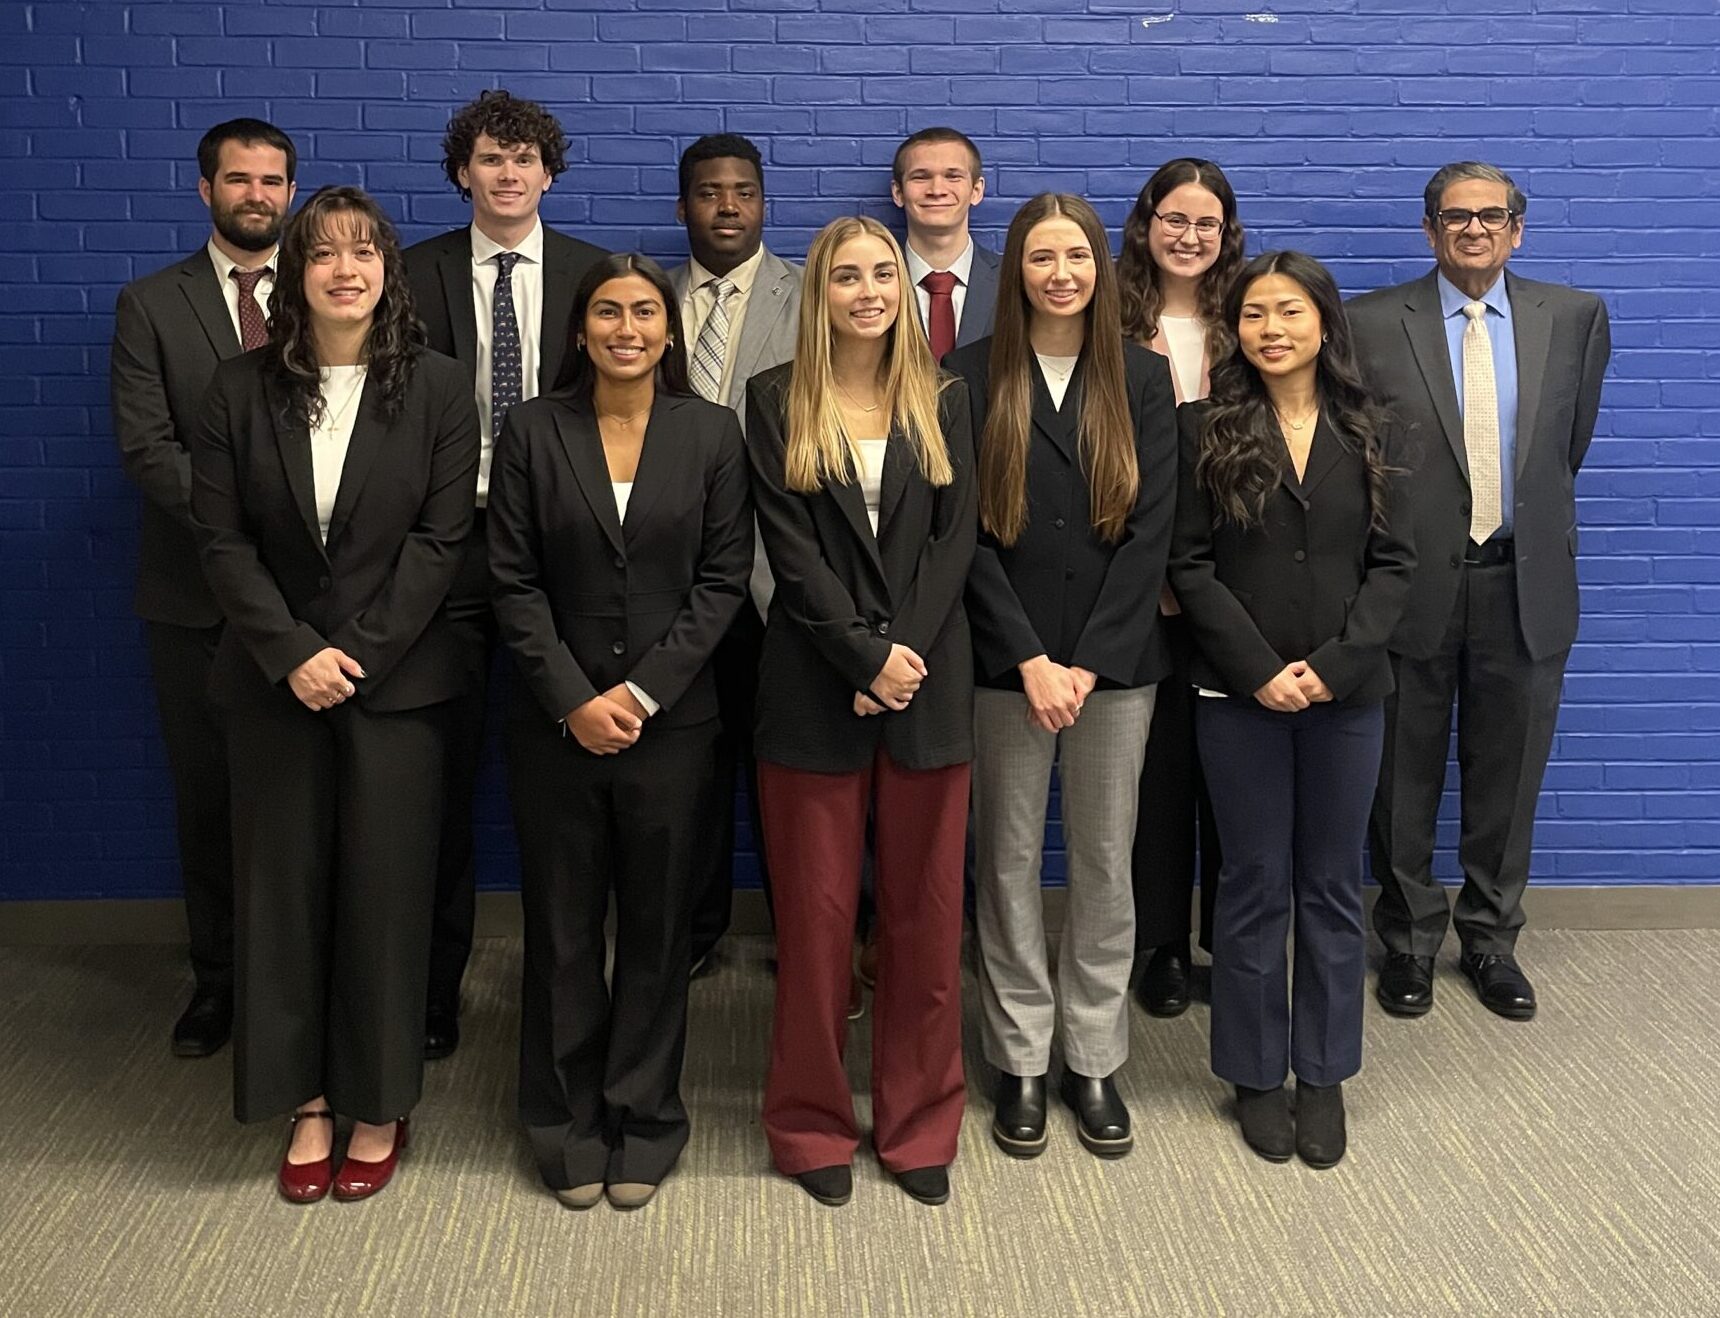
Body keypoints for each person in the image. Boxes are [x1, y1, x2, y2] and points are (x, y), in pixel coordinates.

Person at [190, 186, 481, 1203]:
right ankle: (305, 1095)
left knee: (385, 897)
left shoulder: (442, 389)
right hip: (275, 687)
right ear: (295, 273)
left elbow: (442, 541)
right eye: (323, 254)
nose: (344, 269)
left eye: (364, 252)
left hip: (396, 688)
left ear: (387, 272)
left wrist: (350, 654)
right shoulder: (236, 389)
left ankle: (377, 1098)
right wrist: (292, 652)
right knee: (284, 893)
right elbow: (221, 541)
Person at [488, 253, 752, 1212]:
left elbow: (724, 582)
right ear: (580, 328)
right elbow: (509, 579)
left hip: (674, 725)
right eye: (608, 311)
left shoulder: (713, 433)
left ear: (670, 330)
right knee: (561, 932)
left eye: (646, 311)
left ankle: (644, 1115)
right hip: (553, 723)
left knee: (656, 930)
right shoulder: (531, 429)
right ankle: (563, 1120)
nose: (628, 327)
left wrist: (640, 695)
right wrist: (573, 696)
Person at [746, 215, 976, 1208]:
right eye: (848, 276)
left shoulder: (948, 395)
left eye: (884, 273)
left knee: (925, 924)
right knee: (816, 925)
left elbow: (953, 543)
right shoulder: (770, 400)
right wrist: (859, 653)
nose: (869, 291)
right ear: (821, 293)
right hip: (812, 686)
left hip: (924, 687)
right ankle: (808, 1123)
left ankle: (920, 1119)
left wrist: (896, 660)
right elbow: (790, 555)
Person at [1169, 250, 1415, 1169]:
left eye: (1290, 312)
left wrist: (1340, 664)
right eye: (1255, 316)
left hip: (1349, 698)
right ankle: (1254, 1074)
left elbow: (1399, 564)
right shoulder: (1204, 429)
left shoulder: (1377, 426)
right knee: (1250, 886)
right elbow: (1187, 564)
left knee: (1330, 888)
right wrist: (1257, 668)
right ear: (1235, 332)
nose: (1272, 330)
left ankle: (1323, 1075)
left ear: (1323, 323)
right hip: (1237, 696)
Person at [947, 193, 1177, 1161]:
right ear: (1016, 270)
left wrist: (1084, 662)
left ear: (1099, 266)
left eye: (1075, 255)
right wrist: (1030, 658)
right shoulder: (964, 376)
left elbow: (1151, 534)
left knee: (1102, 863)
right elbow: (960, 536)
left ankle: (1091, 1053)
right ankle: (1019, 1058)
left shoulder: (1146, 379)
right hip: (1007, 668)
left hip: (1113, 672)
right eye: (1041, 257)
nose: (1060, 273)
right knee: (1002, 867)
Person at [1352, 163, 1611, 1021]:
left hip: (1522, 583)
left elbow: (1563, 449)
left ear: (1517, 229)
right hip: (1411, 584)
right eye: (1454, 216)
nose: (1473, 230)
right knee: (1401, 776)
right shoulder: (1368, 322)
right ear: (1428, 230)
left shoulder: (1572, 319)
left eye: (1490, 216)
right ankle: (1408, 943)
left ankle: (1492, 940)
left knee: (1509, 776)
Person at [404, 90, 607, 1059]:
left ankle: (565, 996)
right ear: (462, 173)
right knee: (434, 785)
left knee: (565, 779)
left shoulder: (588, 278)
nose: (508, 174)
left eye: (525, 159)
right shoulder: (412, 274)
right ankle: (430, 995)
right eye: (490, 158)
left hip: (560, 555)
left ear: (550, 174)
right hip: (440, 550)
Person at [110, 118, 298, 1059]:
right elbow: (149, 449)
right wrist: (252, 529)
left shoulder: (328, 292)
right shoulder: (150, 304)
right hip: (193, 601)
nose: (255, 194)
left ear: (290, 193)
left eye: (271, 179)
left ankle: (301, 984)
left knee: (298, 801)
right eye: (238, 179)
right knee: (209, 799)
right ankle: (219, 985)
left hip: (311, 607)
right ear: (205, 191)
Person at [664, 132, 802, 975]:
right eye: (710, 192)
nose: (726, 206)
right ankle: (694, 931)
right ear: (683, 207)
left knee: (786, 769)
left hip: (775, 577)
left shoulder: (807, 293)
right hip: (672, 579)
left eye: (743, 192)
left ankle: (806, 934)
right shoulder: (643, 295)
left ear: (762, 203)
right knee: (691, 773)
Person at [1116, 157, 1247, 1018]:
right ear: (1146, 225)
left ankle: (1227, 943)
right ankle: (1159, 944)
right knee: (1155, 779)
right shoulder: (1110, 322)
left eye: (1206, 223)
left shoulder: (1252, 318)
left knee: (1233, 777)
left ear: (1226, 234)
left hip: (1240, 584)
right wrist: (1154, 575)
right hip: (1140, 588)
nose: (1189, 236)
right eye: (1174, 219)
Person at [892, 126, 1001, 361]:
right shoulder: (874, 285)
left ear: (976, 190)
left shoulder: (1013, 280)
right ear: (898, 193)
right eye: (921, 177)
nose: (937, 190)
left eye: (953, 176)